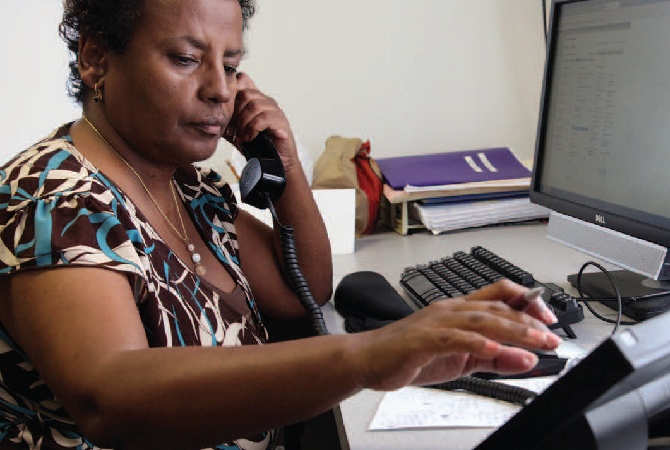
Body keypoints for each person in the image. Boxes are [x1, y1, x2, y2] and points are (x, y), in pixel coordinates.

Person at [0, 0, 562, 449]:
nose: (220, 90)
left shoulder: (184, 185)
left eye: (231, 65)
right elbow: (110, 398)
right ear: (96, 59)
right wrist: (371, 354)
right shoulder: (50, 191)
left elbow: (303, 291)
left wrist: (282, 159)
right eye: (186, 59)